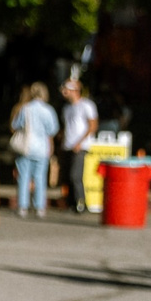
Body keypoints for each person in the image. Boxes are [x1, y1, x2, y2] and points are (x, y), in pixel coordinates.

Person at [8, 83, 57, 216]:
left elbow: (15, 125)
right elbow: (52, 130)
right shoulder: (49, 110)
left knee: (23, 177)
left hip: (26, 147)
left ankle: (22, 207)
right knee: (40, 177)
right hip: (42, 148)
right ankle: (39, 207)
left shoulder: (25, 109)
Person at [57, 75, 98, 214]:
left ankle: (81, 202)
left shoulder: (86, 105)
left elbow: (92, 125)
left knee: (76, 175)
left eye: (66, 88)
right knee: (67, 176)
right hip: (67, 145)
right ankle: (71, 203)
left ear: (75, 90)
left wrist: (80, 142)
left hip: (80, 146)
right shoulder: (66, 108)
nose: (63, 91)